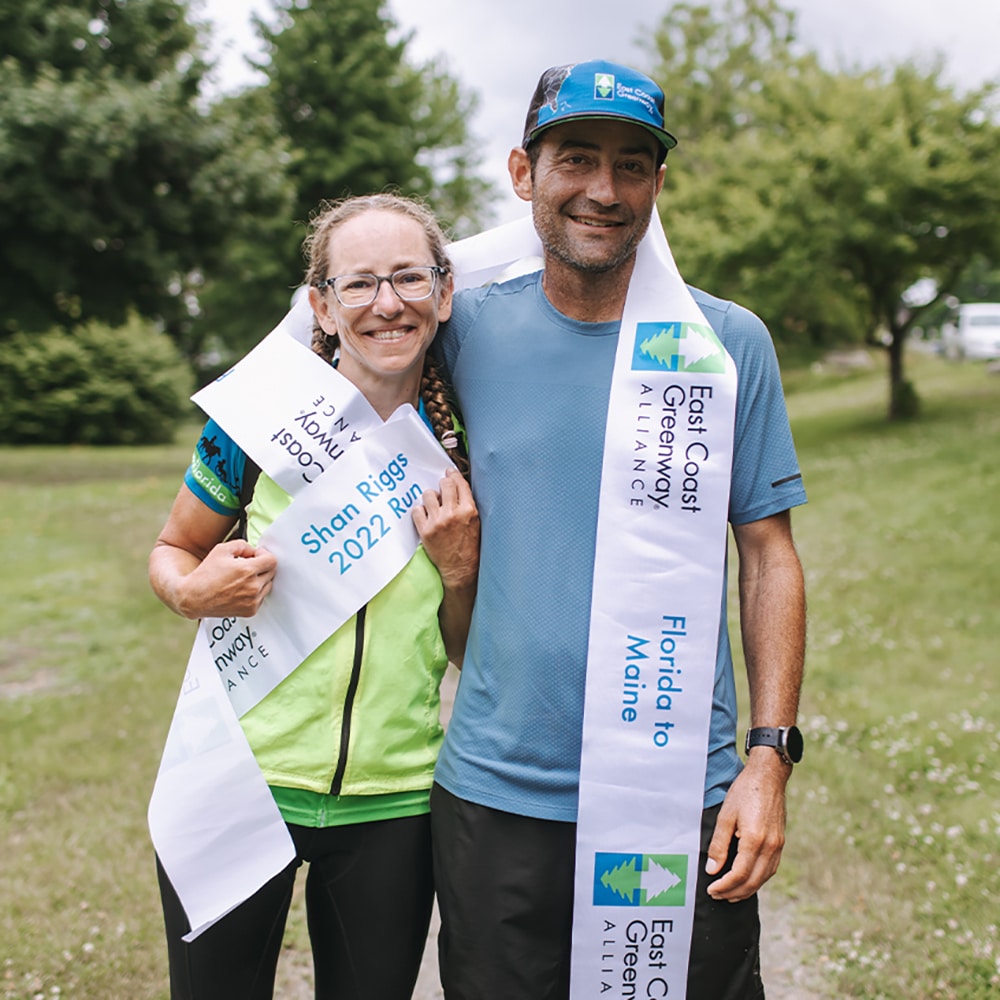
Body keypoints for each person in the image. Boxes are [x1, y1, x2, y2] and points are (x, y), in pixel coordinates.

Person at [429, 60, 807, 999]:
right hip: (496, 793)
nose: (604, 190)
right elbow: (334, 349)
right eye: (578, 158)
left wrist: (770, 757)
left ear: (658, 185)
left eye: (632, 164)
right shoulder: (461, 330)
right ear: (525, 173)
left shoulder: (723, 345)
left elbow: (768, 556)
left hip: (677, 791)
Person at [148, 193, 480, 1000]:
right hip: (237, 777)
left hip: (393, 802)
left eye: (409, 278)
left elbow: (469, 649)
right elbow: (173, 549)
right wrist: (194, 592)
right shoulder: (258, 425)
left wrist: (461, 571)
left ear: (442, 292)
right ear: (322, 308)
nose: (387, 303)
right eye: (360, 284)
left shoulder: (471, 442)